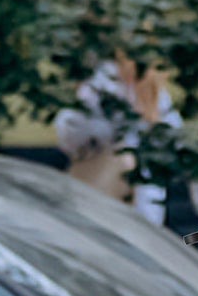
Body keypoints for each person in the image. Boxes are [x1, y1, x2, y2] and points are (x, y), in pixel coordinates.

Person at [56, 50, 185, 226]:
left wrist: (151, 120)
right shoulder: (101, 81)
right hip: (104, 182)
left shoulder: (150, 88)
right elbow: (72, 133)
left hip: (139, 192)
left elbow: (173, 135)